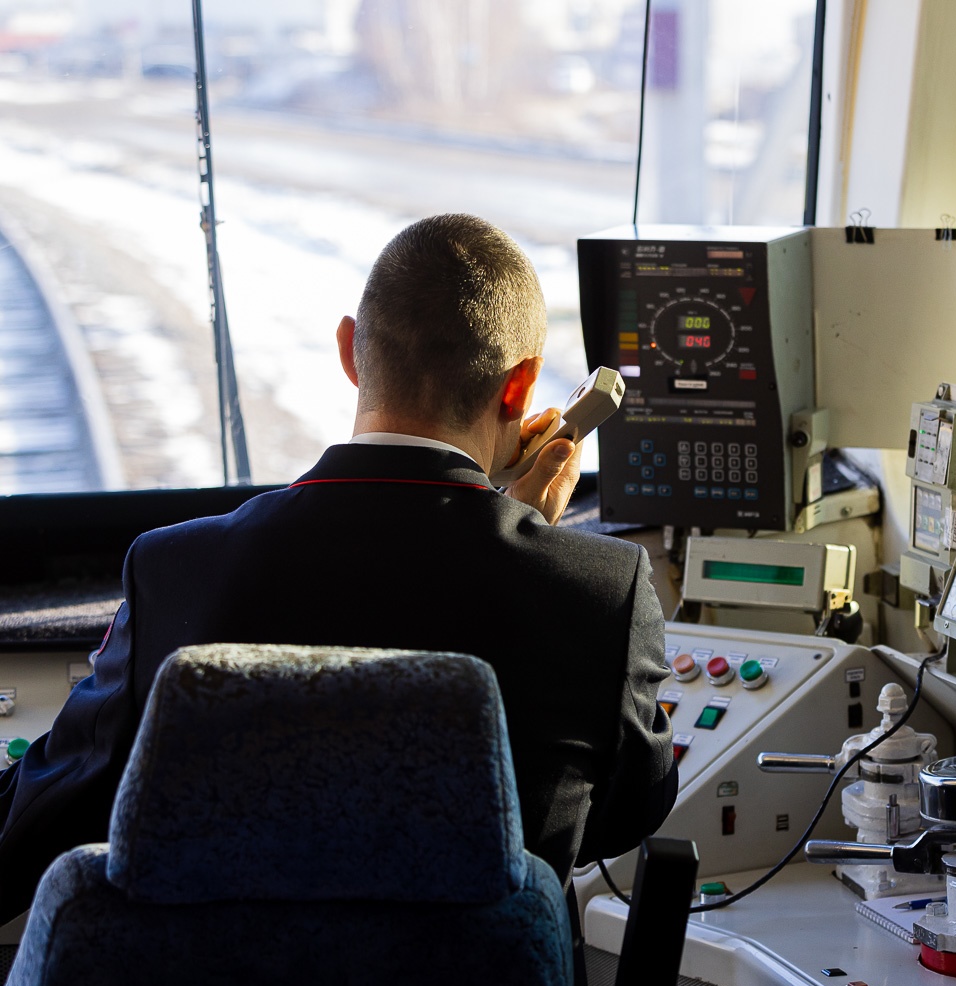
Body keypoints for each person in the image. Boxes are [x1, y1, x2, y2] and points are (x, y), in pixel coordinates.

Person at [0, 214, 675, 922]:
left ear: (351, 350)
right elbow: (626, 813)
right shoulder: (601, 592)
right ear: (521, 388)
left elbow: (37, 819)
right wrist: (530, 537)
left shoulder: (174, 571)